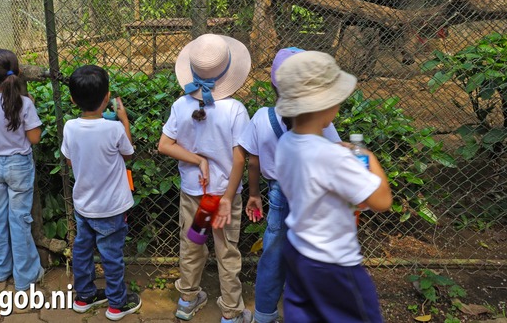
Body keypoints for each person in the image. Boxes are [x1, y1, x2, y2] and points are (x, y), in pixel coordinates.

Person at [273, 51, 392, 323]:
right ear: (325, 106)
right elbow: (382, 201)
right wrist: (367, 155)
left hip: (298, 251)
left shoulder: (287, 144)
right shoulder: (332, 157)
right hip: (334, 263)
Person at [238, 47, 341, 323]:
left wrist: (254, 194)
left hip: (279, 195)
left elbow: (252, 163)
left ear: (273, 84)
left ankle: (263, 315)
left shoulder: (261, 116)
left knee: (273, 255)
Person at [157, 34, 253, 323]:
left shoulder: (181, 105)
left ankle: (187, 300)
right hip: (222, 197)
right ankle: (232, 313)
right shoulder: (236, 110)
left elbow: (164, 145)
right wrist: (225, 199)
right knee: (227, 252)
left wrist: (197, 160)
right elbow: (239, 159)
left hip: (194, 194)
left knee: (192, 244)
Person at [63, 65, 140, 320]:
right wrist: (124, 119)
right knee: (111, 255)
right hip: (111, 208)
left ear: (73, 99)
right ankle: (117, 303)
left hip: (84, 206)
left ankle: (84, 296)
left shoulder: (70, 127)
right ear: (107, 97)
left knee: (83, 251)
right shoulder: (114, 129)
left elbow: (71, 161)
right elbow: (128, 153)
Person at [0, 49, 43, 290]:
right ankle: (25, 276)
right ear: (19, 73)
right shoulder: (25, 103)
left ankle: (1, 268)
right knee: (20, 219)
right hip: (18, 167)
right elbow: (34, 138)